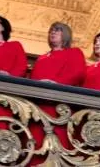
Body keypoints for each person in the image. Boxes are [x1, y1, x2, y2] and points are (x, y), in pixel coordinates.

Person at [29, 22, 86, 165]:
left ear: (65, 34)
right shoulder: (42, 58)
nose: (52, 33)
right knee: (36, 143)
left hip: (60, 105)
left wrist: (57, 83)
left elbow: (78, 73)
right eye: (51, 31)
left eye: (57, 31)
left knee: (58, 143)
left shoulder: (74, 52)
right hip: (39, 105)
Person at [0, 15, 28, 129]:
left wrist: (9, 75)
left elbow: (21, 67)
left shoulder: (14, 46)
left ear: (3, 27)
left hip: (3, 95)